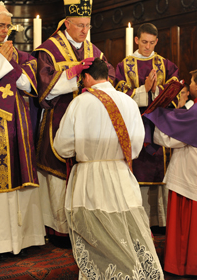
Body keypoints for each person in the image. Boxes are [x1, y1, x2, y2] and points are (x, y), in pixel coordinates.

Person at [53, 58, 164, 280]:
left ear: (86, 77)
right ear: (107, 76)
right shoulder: (128, 102)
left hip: (89, 178)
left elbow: (62, 146)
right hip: (122, 177)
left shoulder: (80, 103)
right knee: (129, 233)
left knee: (96, 241)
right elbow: (134, 147)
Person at [32, 0, 115, 246]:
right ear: (67, 22)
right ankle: (59, 230)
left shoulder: (94, 50)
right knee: (58, 170)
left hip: (90, 123)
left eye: (88, 25)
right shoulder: (49, 49)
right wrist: (71, 73)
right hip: (59, 118)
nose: (85, 31)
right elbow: (43, 89)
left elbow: (109, 78)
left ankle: (86, 225)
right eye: (80, 25)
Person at [115, 23, 180, 228]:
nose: (148, 47)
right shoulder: (124, 66)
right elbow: (119, 94)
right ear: (136, 40)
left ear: (157, 41)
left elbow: (176, 93)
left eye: (152, 43)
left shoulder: (165, 64)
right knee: (138, 170)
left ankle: (160, 221)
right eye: (144, 42)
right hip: (136, 125)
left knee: (159, 171)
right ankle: (138, 222)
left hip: (160, 127)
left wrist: (157, 90)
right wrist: (144, 89)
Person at [0, 2, 45, 257]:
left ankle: (23, 238)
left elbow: (28, 84)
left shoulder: (21, 55)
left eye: (7, 25)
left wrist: (9, 62)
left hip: (18, 125)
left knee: (19, 179)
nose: (5, 30)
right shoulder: (6, 54)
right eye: (0, 25)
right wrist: (0, 60)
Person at [143, 69, 197, 276]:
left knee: (185, 225)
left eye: (191, 81)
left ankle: (183, 265)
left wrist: (154, 118)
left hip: (188, 173)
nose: (189, 85)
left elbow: (171, 139)